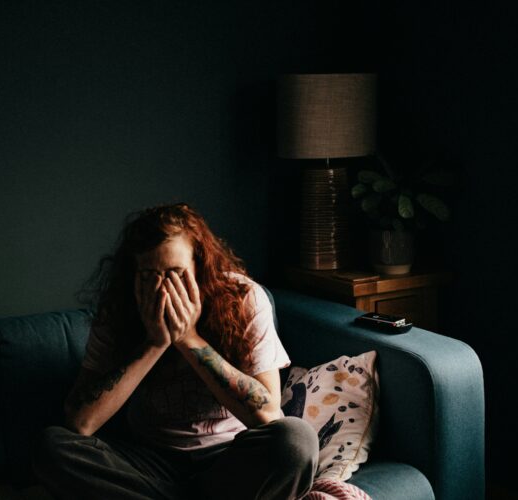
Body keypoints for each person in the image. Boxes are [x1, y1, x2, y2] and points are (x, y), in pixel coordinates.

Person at [33, 202, 318, 500]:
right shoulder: (118, 309)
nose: (163, 290)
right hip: (148, 461)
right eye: (148, 276)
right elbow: (80, 423)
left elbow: (268, 415)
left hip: (229, 459)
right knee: (51, 447)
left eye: (176, 274)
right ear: (133, 274)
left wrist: (189, 339)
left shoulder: (243, 298)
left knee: (297, 441)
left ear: (200, 266)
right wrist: (155, 343)